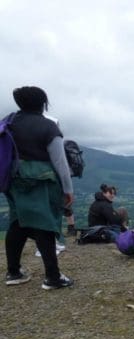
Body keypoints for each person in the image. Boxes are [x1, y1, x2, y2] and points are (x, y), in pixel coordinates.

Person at [3, 86, 74, 290]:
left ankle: (14, 272)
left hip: (13, 179)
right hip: (40, 180)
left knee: (18, 223)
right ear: (43, 103)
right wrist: (68, 190)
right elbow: (60, 163)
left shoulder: (10, 123)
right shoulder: (48, 127)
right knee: (44, 224)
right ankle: (52, 277)